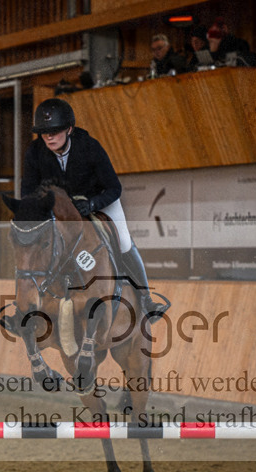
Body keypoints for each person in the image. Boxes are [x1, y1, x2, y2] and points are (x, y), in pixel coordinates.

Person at [21, 98, 164, 316]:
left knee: (124, 241)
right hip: (62, 211)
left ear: (69, 129)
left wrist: (92, 204)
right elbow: (28, 193)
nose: (49, 136)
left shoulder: (89, 147)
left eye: (55, 130)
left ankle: (145, 299)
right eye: (44, 131)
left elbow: (114, 188)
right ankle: (26, 307)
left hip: (99, 201)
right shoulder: (35, 151)